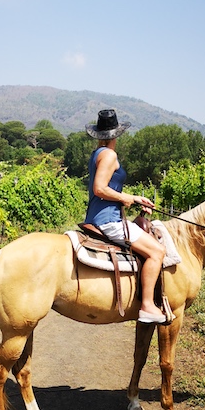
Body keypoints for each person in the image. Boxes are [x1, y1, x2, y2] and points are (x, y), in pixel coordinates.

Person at [85, 109, 167, 324]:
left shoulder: (97, 154)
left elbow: (105, 190)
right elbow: (100, 189)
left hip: (103, 216)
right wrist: (126, 197)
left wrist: (136, 199)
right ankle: (148, 305)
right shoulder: (110, 155)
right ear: (116, 134)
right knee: (157, 252)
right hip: (108, 221)